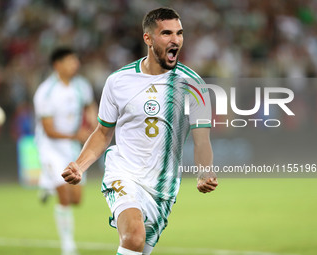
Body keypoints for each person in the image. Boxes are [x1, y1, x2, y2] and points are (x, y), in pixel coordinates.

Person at [62, 8, 218, 255]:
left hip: (162, 187)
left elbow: (201, 139)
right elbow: (103, 132)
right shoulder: (118, 81)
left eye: (179, 33)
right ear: (148, 39)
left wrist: (204, 172)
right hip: (123, 172)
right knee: (133, 236)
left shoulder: (194, 85)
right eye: (166, 33)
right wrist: (80, 166)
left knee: (137, 249)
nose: (175, 39)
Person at [33, 47, 97, 255]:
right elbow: (49, 130)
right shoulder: (46, 92)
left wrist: (94, 126)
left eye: (75, 60)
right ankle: (68, 246)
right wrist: (76, 135)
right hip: (50, 147)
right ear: (57, 65)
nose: (75, 65)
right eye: (70, 61)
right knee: (65, 197)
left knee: (76, 199)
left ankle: (47, 183)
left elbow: (90, 108)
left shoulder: (81, 86)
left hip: (72, 147)